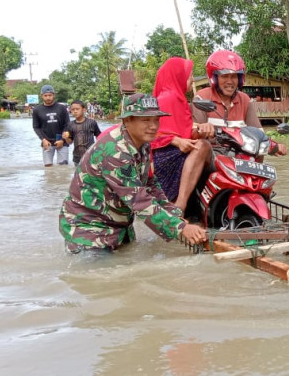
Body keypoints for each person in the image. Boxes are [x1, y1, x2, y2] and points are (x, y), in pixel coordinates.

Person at [59, 93, 207, 253]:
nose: (153, 126)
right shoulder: (115, 151)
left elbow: (151, 185)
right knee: (101, 274)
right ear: (127, 120)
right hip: (88, 230)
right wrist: (181, 228)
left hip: (117, 226)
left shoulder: (143, 144)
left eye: (156, 120)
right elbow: (139, 201)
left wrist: (176, 216)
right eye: (145, 120)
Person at [192, 50, 287, 156]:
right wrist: (203, 128)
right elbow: (193, 133)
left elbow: (258, 133)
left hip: (240, 155)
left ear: (240, 79)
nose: (230, 81)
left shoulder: (244, 99)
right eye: (224, 76)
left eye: (234, 76)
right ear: (214, 78)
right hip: (211, 156)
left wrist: (273, 145)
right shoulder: (202, 97)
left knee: (259, 153)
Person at [150, 57, 208, 213]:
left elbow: (182, 130)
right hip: (163, 157)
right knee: (203, 146)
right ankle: (180, 204)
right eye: (189, 76)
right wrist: (176, 141)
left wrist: (200, 130)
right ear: (178, 76)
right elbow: (148, 135)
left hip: (173, 152)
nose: (192, 81)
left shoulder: (179, 99)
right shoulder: (167, 99)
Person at [32, 85, 70, 166]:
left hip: (62, 142)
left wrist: (62, 140)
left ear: (54, 95)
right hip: (47, 142)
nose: (48, 97)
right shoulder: (36, 110)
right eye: (45, 95)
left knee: (63, 167)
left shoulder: (62, 108)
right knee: (48, 168)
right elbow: (36, 127)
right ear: (41, 96)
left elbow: (67, 124)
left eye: (50, 95)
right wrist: (43, 139)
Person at [62, 100, 101, 166]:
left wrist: (100, 150)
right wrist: (66, 138)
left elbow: (99, 136)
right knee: (78, 175)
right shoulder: (70, 125)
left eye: (77, 109)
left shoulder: (92, 123)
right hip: (77, 157)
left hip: (90, 156)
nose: (75, 111)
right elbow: (70, 142)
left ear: (84, 110)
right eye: (73, 109)